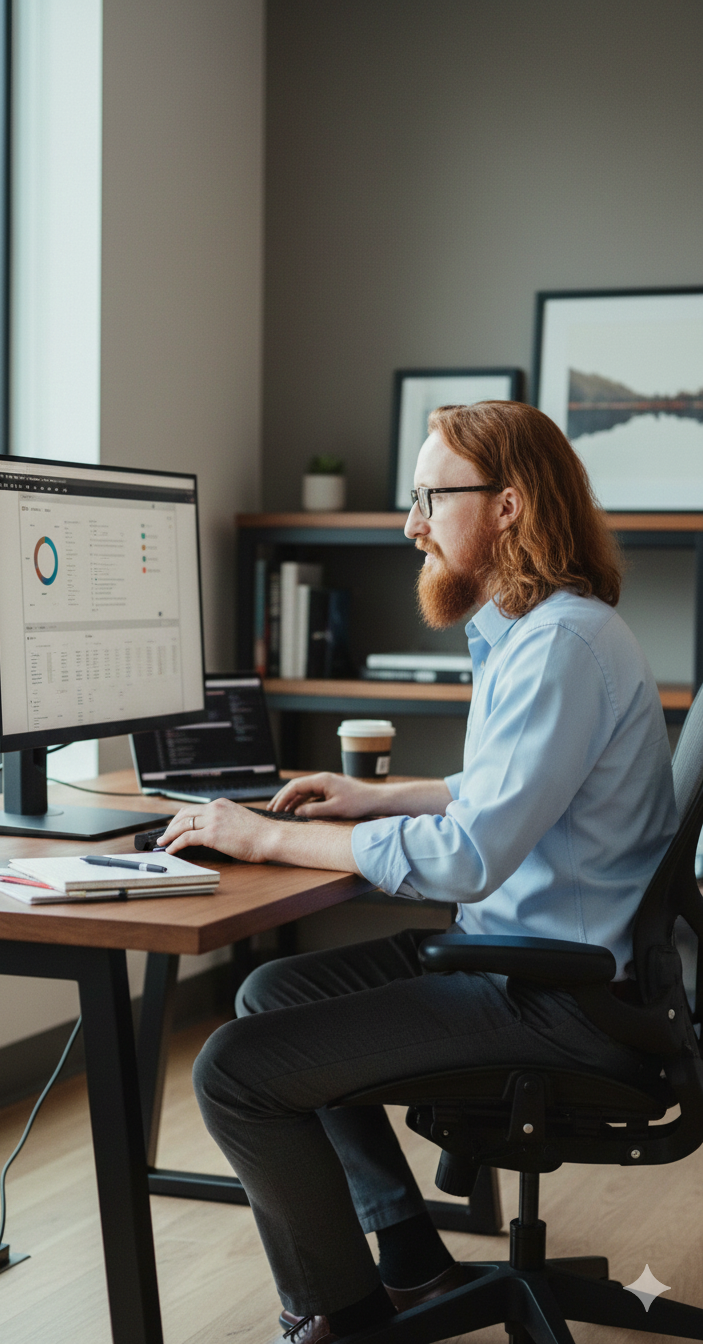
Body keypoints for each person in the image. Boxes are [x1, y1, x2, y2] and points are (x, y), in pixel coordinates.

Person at [157, 401, 678, 1344]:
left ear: (510, 505)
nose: (412, 524)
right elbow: (499, 794)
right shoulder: (544, 632)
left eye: (431, 496)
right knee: (271, 991)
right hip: (541, 964)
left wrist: (264, 838)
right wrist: (378, 799)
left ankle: (347, 1320)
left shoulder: (560, 645)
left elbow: (471, 856)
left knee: (234, 1073)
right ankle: (410, 1262)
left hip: (562, 998)